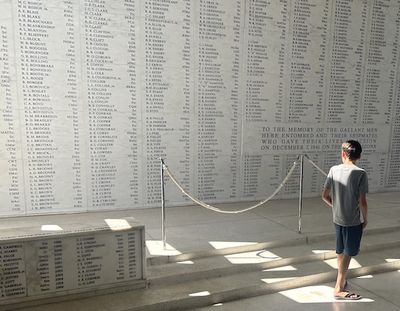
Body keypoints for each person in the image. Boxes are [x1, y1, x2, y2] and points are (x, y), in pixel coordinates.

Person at [322, 140, 368, 300]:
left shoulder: (334, 169)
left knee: (340, 251)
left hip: (338, 218)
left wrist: (335, 207)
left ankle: (341, 280)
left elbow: (324, 195)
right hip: (352, 220)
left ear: (343, 154)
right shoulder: (360, 173)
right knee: (348, 254)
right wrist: (366, 218)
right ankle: (339, 288)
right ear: (359, 156)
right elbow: (362, 201)